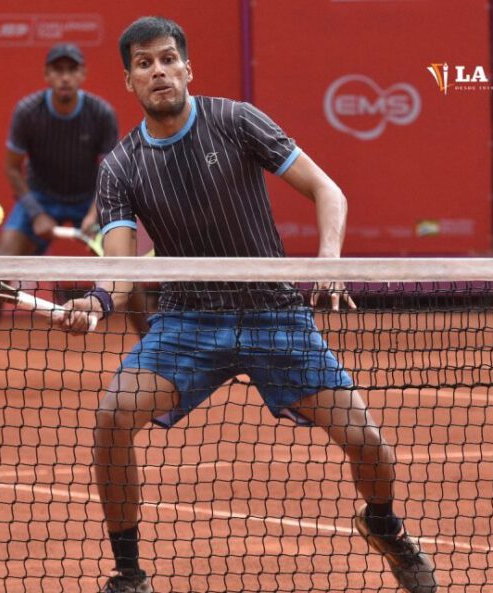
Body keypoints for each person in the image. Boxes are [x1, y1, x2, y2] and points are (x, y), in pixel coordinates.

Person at [54, 17, 438, 593]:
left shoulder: (235, 120)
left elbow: (327, 189)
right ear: (129, 80)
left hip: (273, 314)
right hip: (187, 321)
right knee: (113, 417)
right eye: (143, 63)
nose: (157, 70)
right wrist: (98, 300)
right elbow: (122, 264)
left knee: (367, 443)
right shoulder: (121, 167)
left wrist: (329, 261)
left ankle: (382, 523)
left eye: (167, 59)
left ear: (187, 67)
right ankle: (129, 574)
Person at [0, 43, 118, 387]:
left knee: (125, 269)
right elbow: (12, 169)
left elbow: (110, 172)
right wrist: (36, 214)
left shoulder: (101, 113)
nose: (65, 77)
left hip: (86, 199)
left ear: (82, 74)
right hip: (40, 198)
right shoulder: (28, 112)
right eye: (58, 70)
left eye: (71, 69)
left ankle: (151, 352)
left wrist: (95, 212)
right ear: (48, 75)